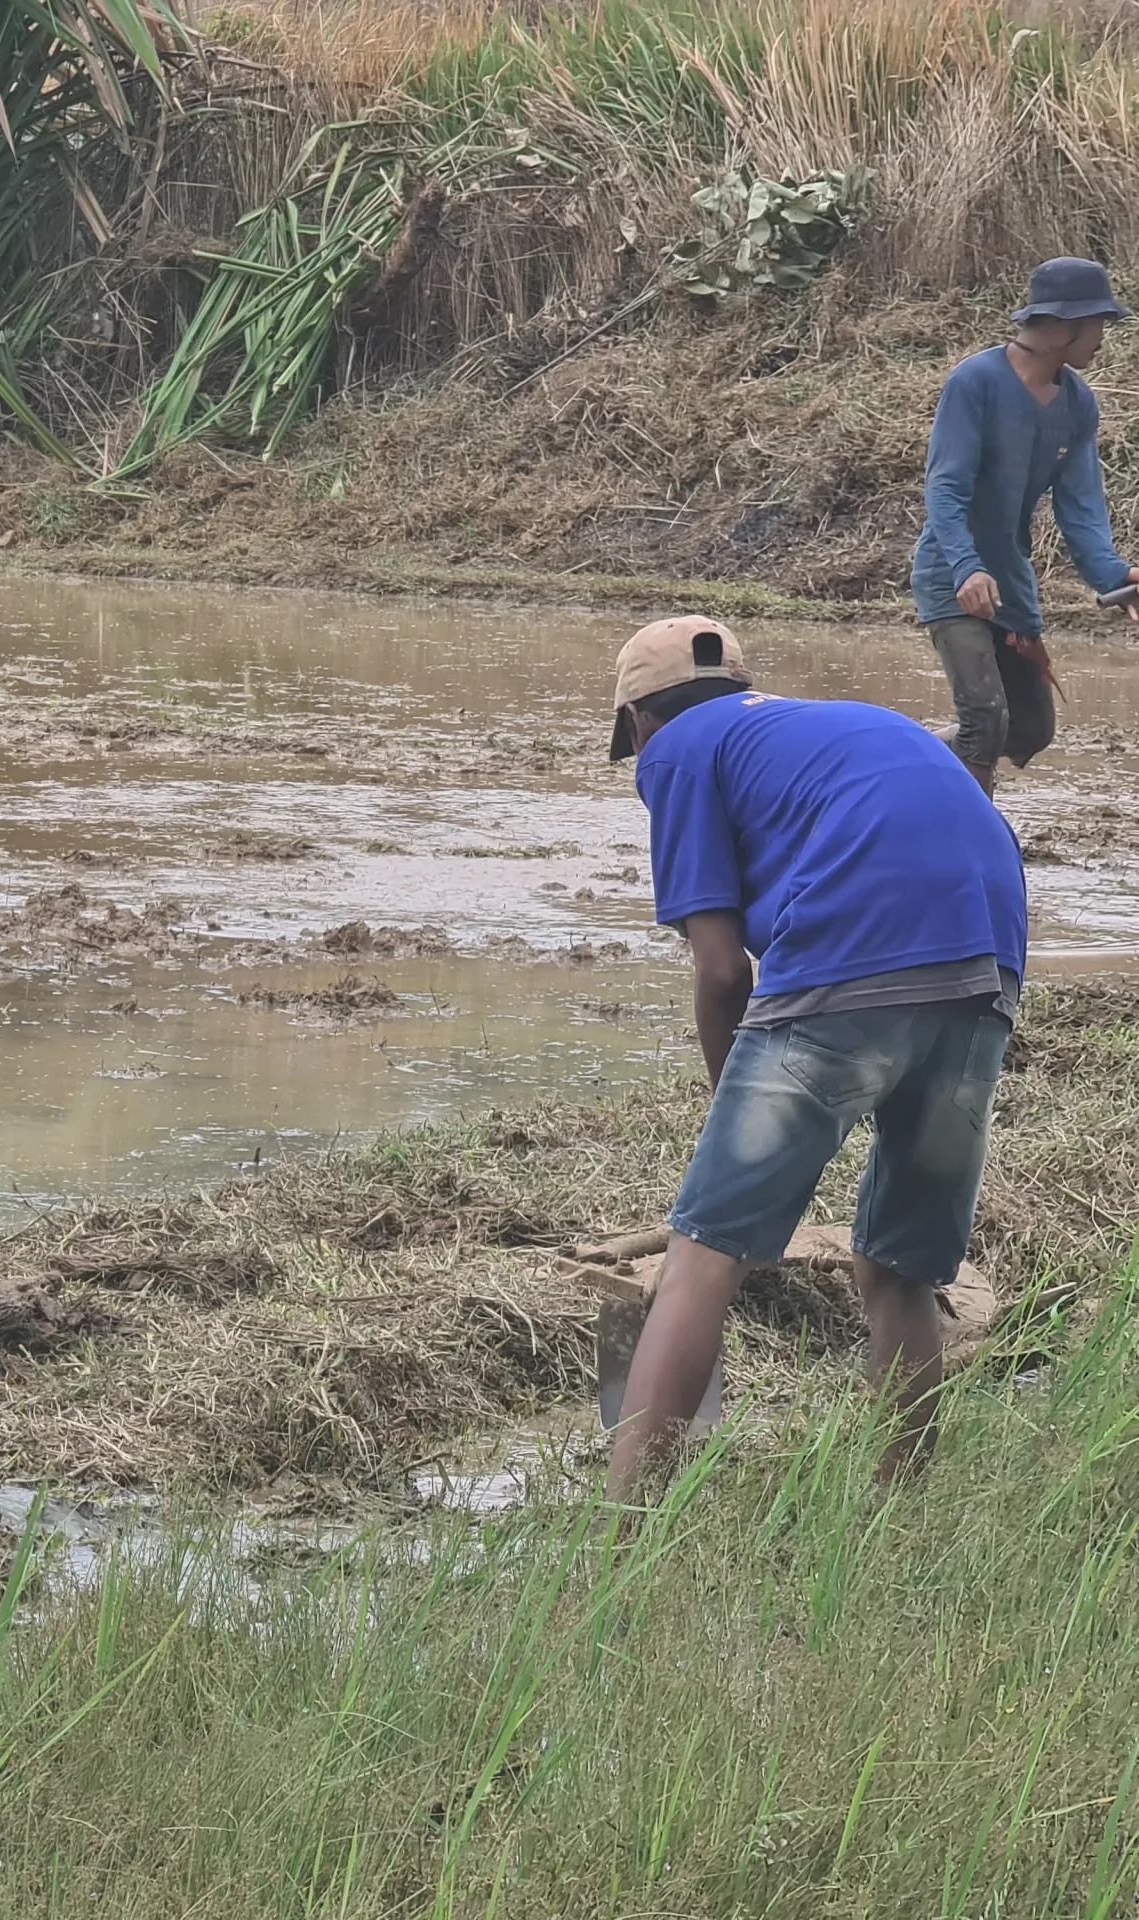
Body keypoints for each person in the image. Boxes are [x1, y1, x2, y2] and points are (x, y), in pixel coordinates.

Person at [602, 618, 1027, 1498]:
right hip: (985, 962)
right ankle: (892, 1510)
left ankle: (622, 1538)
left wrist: (731, 1118)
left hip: (853, 959)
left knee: (702, 1257)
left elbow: (723, 970)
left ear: (640, 720)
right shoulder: (829, 726)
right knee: (897, 1266)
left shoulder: (676, 752)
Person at [913, 255, 1138, 795]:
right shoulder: (976, 382)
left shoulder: (1079, 403)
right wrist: (966, 568)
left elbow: (1081, 507)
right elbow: (946, 486)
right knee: (986, 719)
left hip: (1009, 583)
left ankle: (908, 753)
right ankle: (969, 844)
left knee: (1030, 729)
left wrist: (1116, 578)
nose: (1103, 337)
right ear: (1062, 326)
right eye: (1098, 324)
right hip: (952, 575)